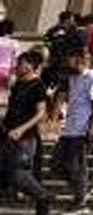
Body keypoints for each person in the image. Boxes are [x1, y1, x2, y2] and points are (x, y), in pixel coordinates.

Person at [4, 48, 55, 215]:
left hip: (25, 138)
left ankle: (44, 196)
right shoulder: (18, 84)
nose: (16, 66)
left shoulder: (37, 86)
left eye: (20, 63)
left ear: (31, 66)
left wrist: (21, 129)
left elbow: (41, 113)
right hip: (9, 135)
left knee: (18, 173)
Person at [55, 46, 93, 213]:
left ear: (78, 58)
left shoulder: (91, 76)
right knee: (57, 165)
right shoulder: (72, 78)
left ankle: (80, 203)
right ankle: (84, 188)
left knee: (77, 166)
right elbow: (64, 97)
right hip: (69, 127)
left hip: (82, 129)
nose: (66, 63)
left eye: (69, 58)